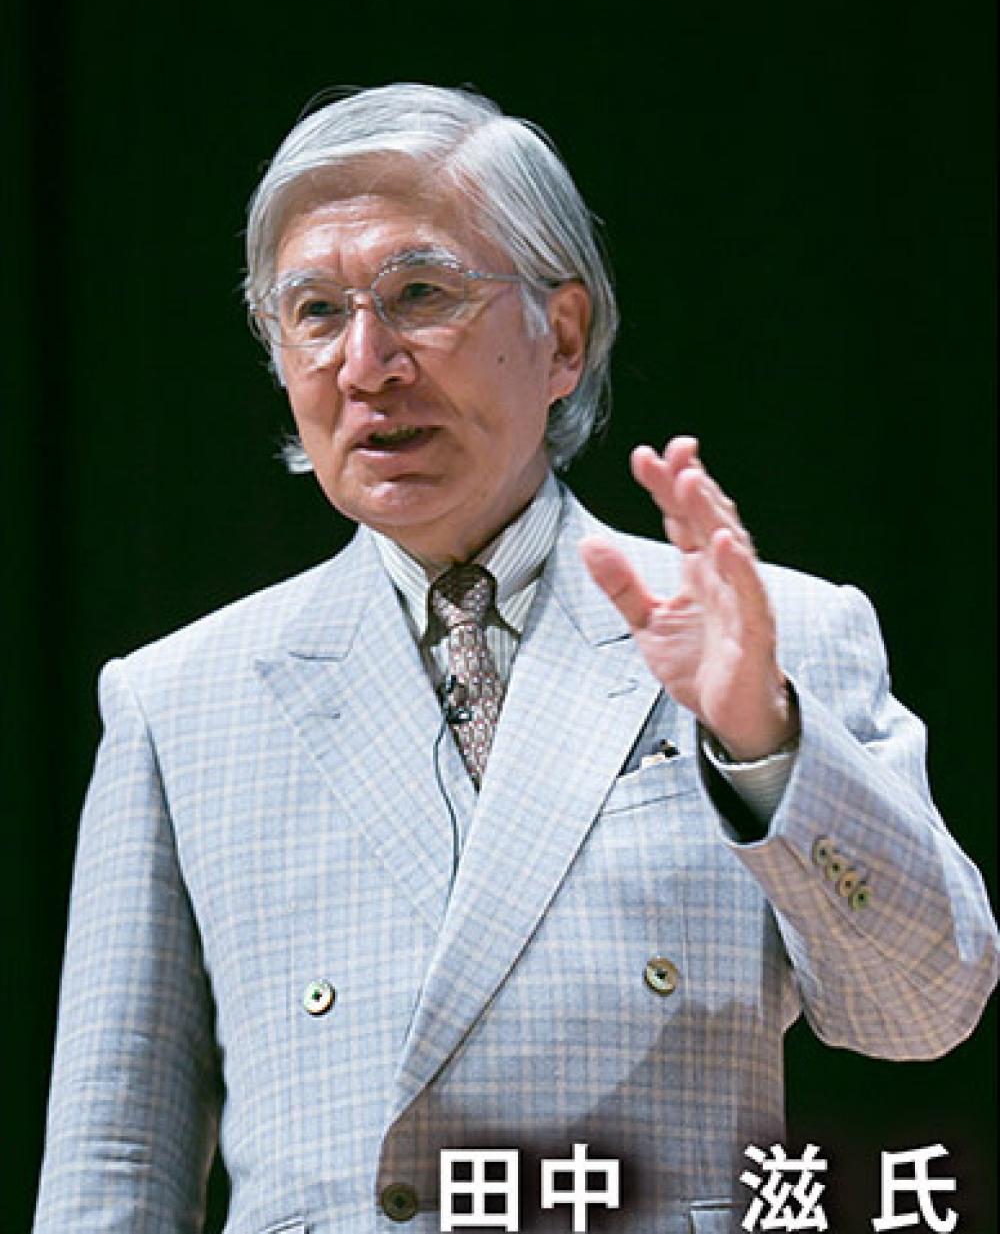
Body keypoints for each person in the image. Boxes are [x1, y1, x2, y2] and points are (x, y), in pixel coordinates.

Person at [34, 83, 998, 1234]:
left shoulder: (768, 636)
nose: (366, 364)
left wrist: (765, 740)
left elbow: (919, 1006)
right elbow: (113, 1160)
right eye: (316, 312)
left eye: (420, 294)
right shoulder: (181, 699)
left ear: (564, 335)